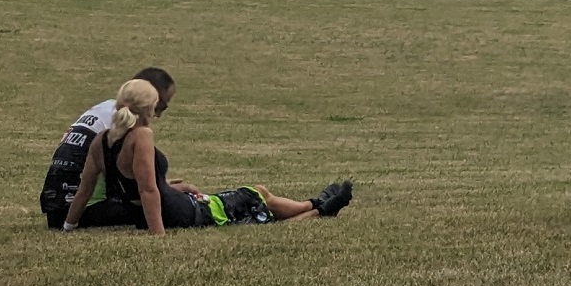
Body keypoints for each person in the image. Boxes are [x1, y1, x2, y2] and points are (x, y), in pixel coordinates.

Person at [58, 77, 353, 232]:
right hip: (182, 212)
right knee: (255, 198)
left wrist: (69, 226)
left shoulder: (100, 141)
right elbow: (148, 191)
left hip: (174, 203)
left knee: (256, 199)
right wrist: (158, 235)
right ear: (149, 109)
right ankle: (318, 209)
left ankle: (318, 204)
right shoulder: (142, 136)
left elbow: (84, 191)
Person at [42, 66, 175, 229]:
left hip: (56, 207)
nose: (158, 114)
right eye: (160, 106)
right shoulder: (126, 125)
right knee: (168, 207)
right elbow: (138, 188)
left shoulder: (105, 109)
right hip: (82, 209)